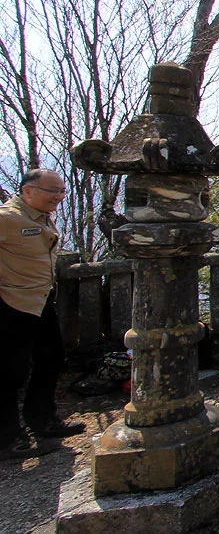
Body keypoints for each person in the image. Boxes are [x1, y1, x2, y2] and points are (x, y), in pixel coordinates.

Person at [0, 169, 84, 460]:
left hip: (41, 299)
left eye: (62, 191)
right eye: (52, 191)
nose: (58, 197)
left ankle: (43, 420)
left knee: (51, 358)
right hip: (11, 302)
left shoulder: (40, 217)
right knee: (10, 370)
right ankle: (7, 438)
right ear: (28, 190)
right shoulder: (7, 218)